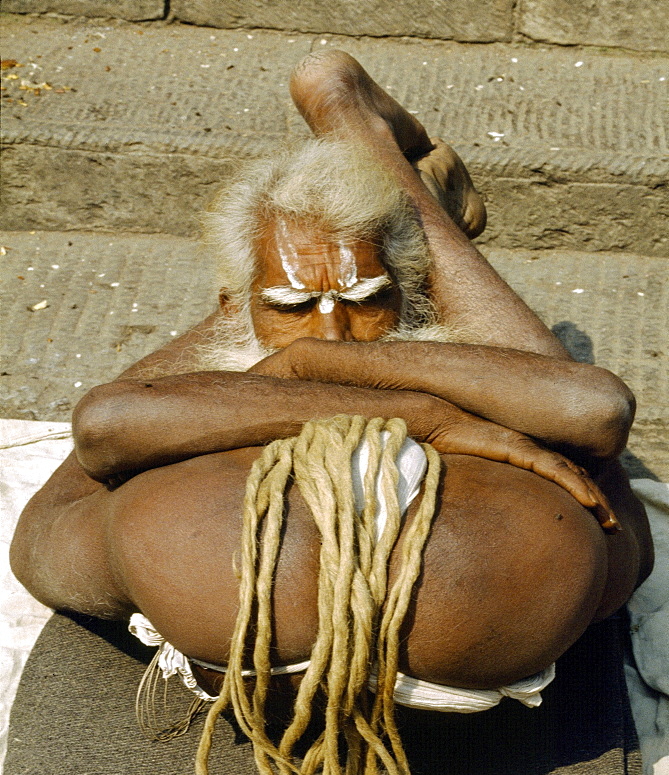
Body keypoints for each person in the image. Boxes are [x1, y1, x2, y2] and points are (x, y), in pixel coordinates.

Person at [10, 50, 653, 697]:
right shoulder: (220, 426)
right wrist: (421, 414)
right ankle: (365, 142)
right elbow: (107, 424)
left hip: (477, 595)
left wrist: (307, 360)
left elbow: (593, 411)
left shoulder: (326, 362)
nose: (332, 328)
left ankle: (360, 155)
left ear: (410, 299)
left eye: (368, 300)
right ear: (233, 310)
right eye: (288, 308)